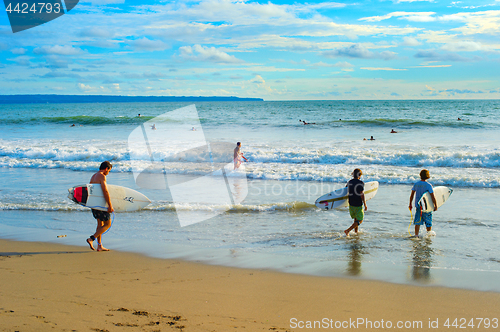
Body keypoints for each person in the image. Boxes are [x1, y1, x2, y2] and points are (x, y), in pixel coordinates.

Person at [86, 161, 114, 251]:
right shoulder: (102, 176)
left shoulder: (93, 176)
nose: (108, 173)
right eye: (109, 171)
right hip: (101, 204)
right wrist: (110, 205)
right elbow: (105, 191)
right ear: (106, 169)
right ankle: (91, 239)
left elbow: (90, 191)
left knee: (100, 224)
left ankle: (99, 246)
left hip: (94, 204)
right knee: (107, 224)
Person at [409, 169, 437, 237]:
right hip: (427, 207)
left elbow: (412, 194)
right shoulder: (428, 185)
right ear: (428, 176)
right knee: (428, 222)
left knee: (417, 222)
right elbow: (432, 196)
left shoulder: (416, 184)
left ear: (420, 175)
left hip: (418, 206)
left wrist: (410, 204)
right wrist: (435, 205)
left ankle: (416, 235)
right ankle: (428, 235)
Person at [344, 168, 368, 236]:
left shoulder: (349, 182)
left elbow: (345, 191)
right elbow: (362, 194)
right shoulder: (361, 183)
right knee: (360, 220)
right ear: (359, 175)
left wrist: (345, 202)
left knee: (356, 219)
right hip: (358, 204)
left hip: (351, 203)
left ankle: (356, 232)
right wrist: (365, 204)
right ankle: (347, 230)